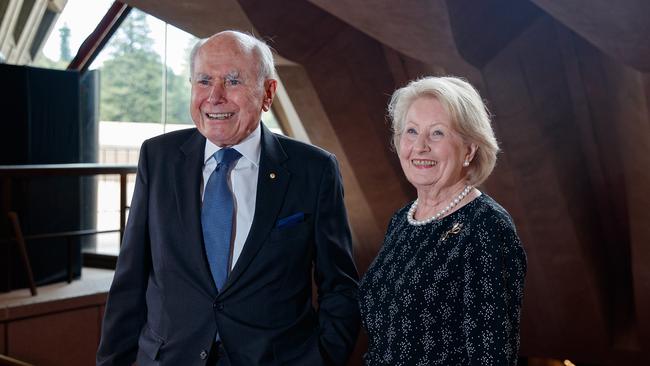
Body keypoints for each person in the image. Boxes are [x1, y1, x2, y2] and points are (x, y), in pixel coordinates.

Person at [96, 30, 360, 366]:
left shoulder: (314, 170)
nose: (214, 96)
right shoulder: (158, 158)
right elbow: (129, 280)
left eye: (233, 81)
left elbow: (340, 286)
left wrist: (322, 358)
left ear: (267, 93)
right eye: (204, 80)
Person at [358, 76, 527, 365]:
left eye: (437, 133)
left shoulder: (486, 226)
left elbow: (492, 355)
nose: (420, 146)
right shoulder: (403, 219)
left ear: (469, 149)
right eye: (411, 131)